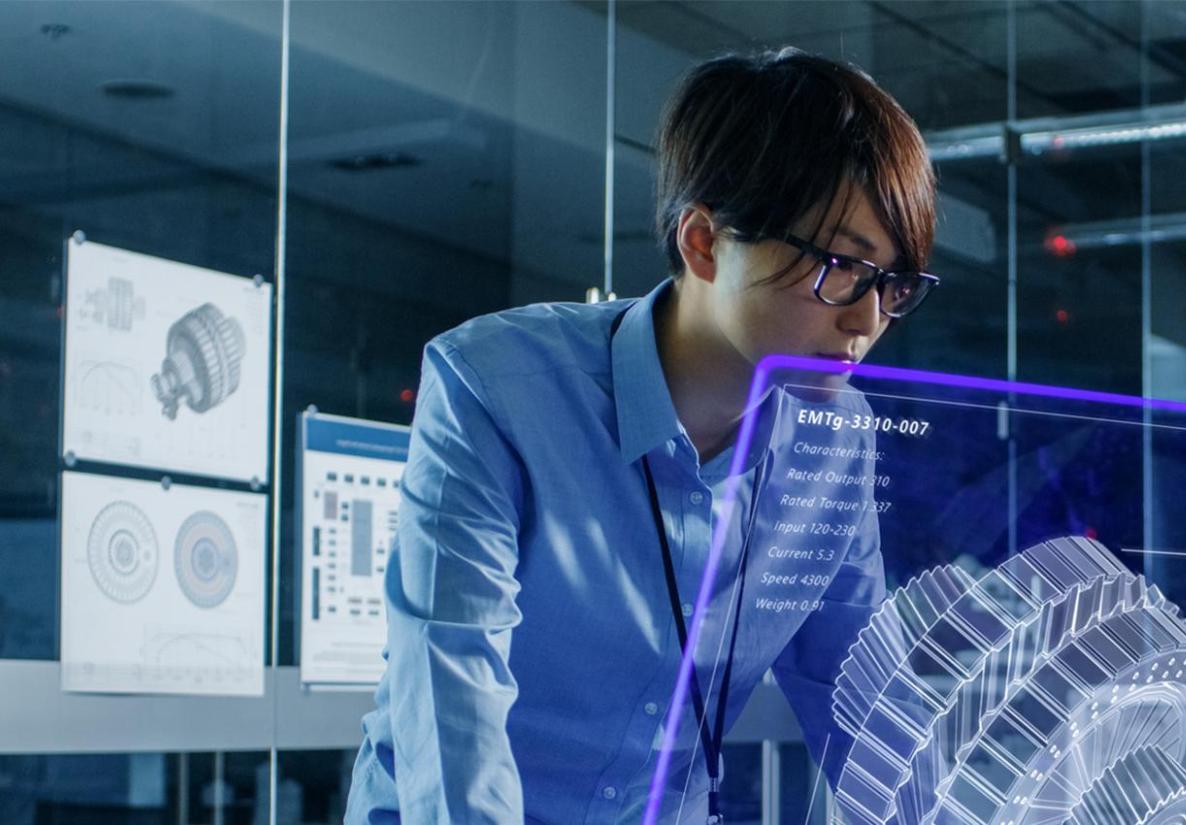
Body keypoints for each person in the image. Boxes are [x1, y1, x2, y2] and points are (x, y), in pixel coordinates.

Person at [344, 47, 938, 824]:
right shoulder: (496, 386)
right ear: (703, 242)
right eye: (839, 267)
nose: (866, 319)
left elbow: (859, 702)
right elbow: (449, 687)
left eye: (893, 285)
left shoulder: (833, 438)